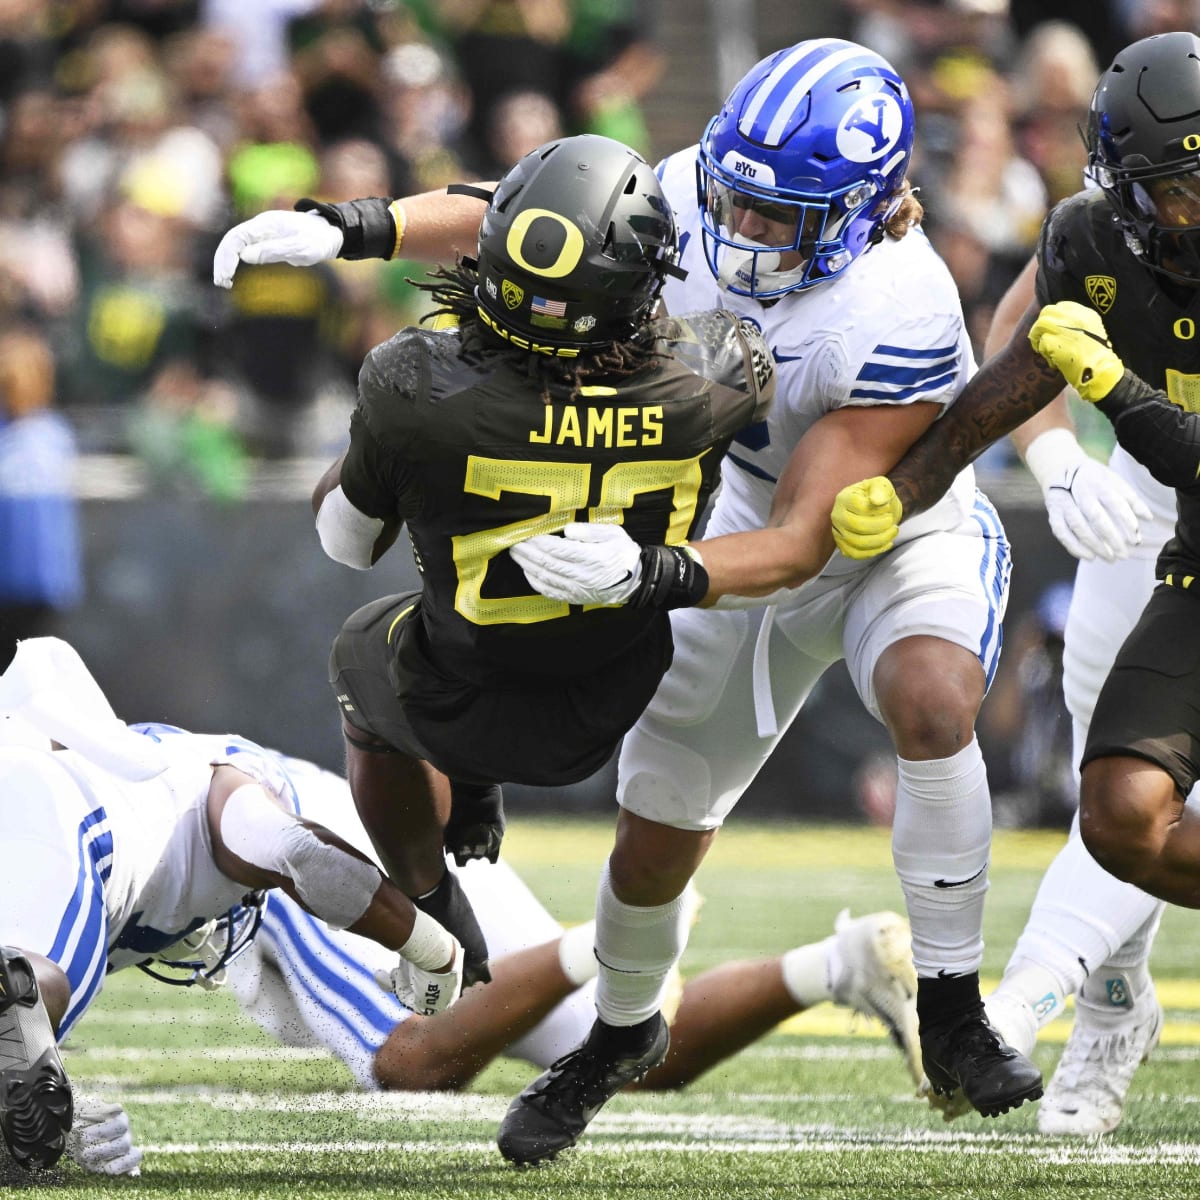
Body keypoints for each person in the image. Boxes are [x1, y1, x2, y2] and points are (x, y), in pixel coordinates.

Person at [211, 38, 1042, 1163]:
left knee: (932, 701)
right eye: (736, 202)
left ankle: (950, 1010)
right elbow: (530, 219)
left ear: (871, 207)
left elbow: (811, 538)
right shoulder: (705, 190)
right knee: (656, 831)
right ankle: (615, 1034)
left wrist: (655, 572)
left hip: (886, 525)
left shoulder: (897, 305)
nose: (742, 235)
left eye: (779, 217)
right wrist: (353, 229)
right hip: (739, 512)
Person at [294, 133, 773, 994]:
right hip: (618, 684)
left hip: (462, 697)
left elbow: (347, 541)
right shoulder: (721, 368)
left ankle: (431, 899)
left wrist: (370, 449)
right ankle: (472, 798)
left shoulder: (412, 382)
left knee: (368, 643)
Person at [829, 30, 1200, 1134]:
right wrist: (942, 476)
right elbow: (1023, 348)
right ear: (1126, 190)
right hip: (1169, 522)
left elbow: (1106, 378)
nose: (1195, 211)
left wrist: (1115, 398)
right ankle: (1111, 1004)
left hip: (1171, 475)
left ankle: (1025, 1006)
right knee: (1122, 796)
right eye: (1178, 191)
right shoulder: (1095, 237)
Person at [0, 636, 463, 1175]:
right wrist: (431, 948)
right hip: (80, 825)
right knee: (37, 985)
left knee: (29, 1023)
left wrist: (67, 1109)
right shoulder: (208, 777)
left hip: (32, 796)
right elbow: (299, 853)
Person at [228, 753, 923, 1100]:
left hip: (284, 844)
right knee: (632, 1045)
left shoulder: (185, 833)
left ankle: (614, 941)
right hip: (352, 811)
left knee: (405, 1061)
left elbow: (407, 1065)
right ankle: (841, 963)